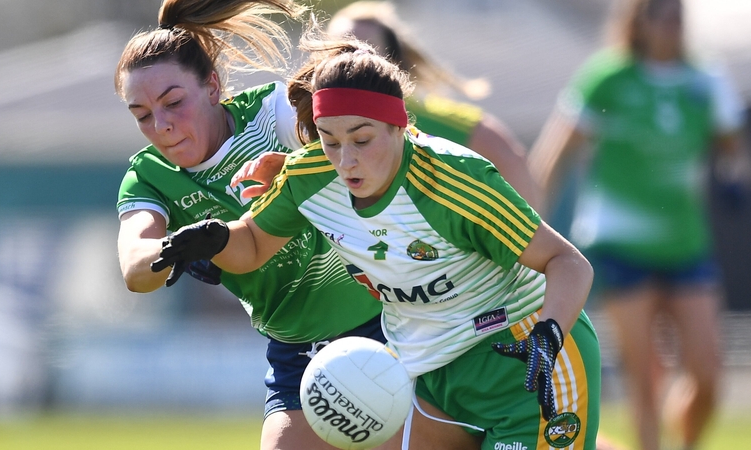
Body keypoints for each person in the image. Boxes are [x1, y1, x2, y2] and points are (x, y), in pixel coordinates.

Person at [150, 36, 602, 450]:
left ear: (399, 126)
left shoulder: (456, 183)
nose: (346, 160)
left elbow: (568, 262)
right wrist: (213, 239)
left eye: (362, 139)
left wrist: (549, 335)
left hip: (527, 365)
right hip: (432, 378)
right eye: (329, 141)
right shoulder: (310, 177)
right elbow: (250, 244)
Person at [114, 1, 480, 449]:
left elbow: (386, 154)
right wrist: (178, 247)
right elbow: (134, 266)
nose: (162, 125)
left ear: (212, 87)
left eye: (173, 102)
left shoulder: (275, 113)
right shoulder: (148, 176)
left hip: (388, 316)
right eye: (142, 115)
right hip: (297, 348)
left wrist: (292, 168)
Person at [528, 0, 751, 449]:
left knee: (708, 373)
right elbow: (555, 155)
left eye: (677, 13)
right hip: (619, 245)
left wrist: (737, 177)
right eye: (659, 12)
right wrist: (531, 225)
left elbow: (737, 150)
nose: (671, 22)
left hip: (686, 246)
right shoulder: (607, 78)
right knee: (645, 377)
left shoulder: (704, 79)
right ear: (637, 20)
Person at [325, 0, 542, 211]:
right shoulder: (310, 124)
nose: (349, 65)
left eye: (363, 54)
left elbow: (510, 158)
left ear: (392, 63)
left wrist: (521, 241)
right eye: (339, 52)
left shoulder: (422, 119)